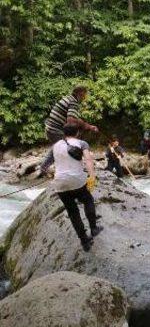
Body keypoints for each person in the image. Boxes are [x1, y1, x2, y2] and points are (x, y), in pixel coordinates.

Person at [52, 123, 102, 251]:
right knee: (88, 200)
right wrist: (92, 176)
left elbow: (50, 162)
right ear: (78, 133)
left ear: (64, 133)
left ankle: (84, 242)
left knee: (73, 212)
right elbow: (88, 160)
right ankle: (94, 228)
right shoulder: (82, 143)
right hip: (77, 181)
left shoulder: (56, 145)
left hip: (60, 183)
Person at [38, 86, 98, 176]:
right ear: (80, 94)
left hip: (51, 128)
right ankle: (64, 170)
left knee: (57, 147)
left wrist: (86, 125)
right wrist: (87, 126)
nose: (85, 97)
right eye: (85, 95)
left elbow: (73, 118)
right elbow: (71, 121)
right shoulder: (73, 102)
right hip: (55, 129)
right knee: (68, 148)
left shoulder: (68, 99)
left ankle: (44, 167)